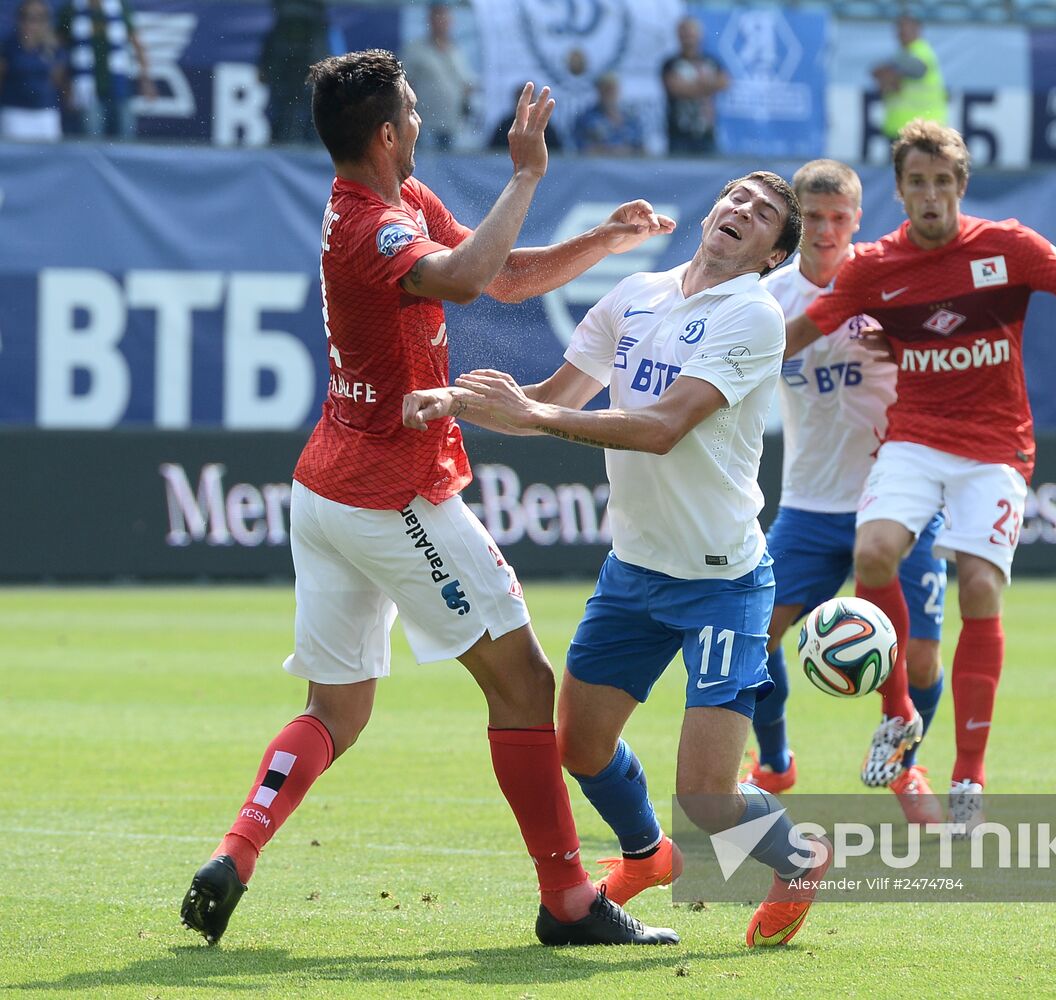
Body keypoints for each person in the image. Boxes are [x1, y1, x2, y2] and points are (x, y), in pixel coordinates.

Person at [179, 49, 680, 948]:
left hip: (326, 489)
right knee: (525, 683)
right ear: (385, 133)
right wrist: (528, 173)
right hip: (392, 492)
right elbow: (454, 278)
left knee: (337, 711)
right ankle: (570, 901)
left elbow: (500, 274)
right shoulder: (366, 224)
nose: (420, 124)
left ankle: (236, 850)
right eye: (411, 113)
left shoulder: (394, 206)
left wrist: (602, 241)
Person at [424, 171, 835, 948]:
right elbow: (553, 396)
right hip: (636, 572)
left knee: (709, 803)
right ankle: (649, 857)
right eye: (736, 196)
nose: (742, 210)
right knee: (579, 744)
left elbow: (662, 426)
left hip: (721, 580)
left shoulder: (752, 315)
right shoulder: (636, 294)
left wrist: (537, 413)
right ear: (713, 211)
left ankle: (800, 855)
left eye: (765, 213)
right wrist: (450, 401)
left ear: (774, 253)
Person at [785, 120, 1056, 831]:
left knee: (981, 587)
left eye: (942, 182)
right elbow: (802, 329)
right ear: (900, 191)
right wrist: (723, 371)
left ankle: (968, 774)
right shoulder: (873, 268)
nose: (930, 196)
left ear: (961, 185)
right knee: (872, 551)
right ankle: (897, 722)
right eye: (916, 183)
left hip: (995, 447)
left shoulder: (1007, 247)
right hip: (915, 438)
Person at [743, 159, 946, 826]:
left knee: (918, 656)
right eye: (816, 217)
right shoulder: (769, 300)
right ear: (798, 220)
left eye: (841, 217)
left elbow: (945, 358)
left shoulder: (888, 286)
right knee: (756, 638)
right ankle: (774, 761)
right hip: (809, 503)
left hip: (897, 502)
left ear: (858, 219)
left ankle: (907, 762)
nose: (828, 230)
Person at [56, 0, 155, 138]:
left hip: (120, 88)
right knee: (92, 142)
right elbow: (59, 48)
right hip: (87, 91)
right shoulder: (71, 10)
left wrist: (146, 80)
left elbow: (137, 44)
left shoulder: (120, 7)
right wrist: (65, 85)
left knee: (127, 140)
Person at [400, 1, 473, 152]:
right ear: (429, 20)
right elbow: (403, 85)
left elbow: (467, 83)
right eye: (437, 16)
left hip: (454, 126)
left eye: (445, 16)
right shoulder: (415, 50)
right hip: (426, 125)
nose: (442, 21)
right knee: (428, 170)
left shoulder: (457, 51)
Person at [260, 0, 327, 145]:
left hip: (312, 37)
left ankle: (313, 145)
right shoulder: (278, 30)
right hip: (283, 40)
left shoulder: (319, 31)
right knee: (281, 105)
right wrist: (265, 64)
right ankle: (277, 143)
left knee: (314, 103)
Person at [870, 15, 946, 142]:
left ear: (918, 30)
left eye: (906, 28)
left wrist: (889, 70)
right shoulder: (902, 54)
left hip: (923, 129)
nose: (902, 33)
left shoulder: (921, 52)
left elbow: (917, 69)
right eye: (899, 29)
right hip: (901, 127)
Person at [0, 0, 67, 142]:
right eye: (26, 17)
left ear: (46, 21)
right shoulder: (8, 46)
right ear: (18, 20)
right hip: (14, 113)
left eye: (38, 18)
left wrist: (48, 51)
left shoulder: (53, 48)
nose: (31, 24)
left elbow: (59, 82)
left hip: (45, 114)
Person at [661, 16, 727, 156]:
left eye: (691, 33)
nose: (688, 37)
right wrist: (707, 85)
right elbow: (676, 89)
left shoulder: (711, 60)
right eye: (684, 33)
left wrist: (692, 85)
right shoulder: (670, 63)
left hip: (706, 133)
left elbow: (725, 83)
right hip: (679, 134)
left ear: (699, 35)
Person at [572, 72, 644, 156]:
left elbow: (641, 149)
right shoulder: (586, 120)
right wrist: (611, 151)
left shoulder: (631, 120)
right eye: (606, 89)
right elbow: (582, 149)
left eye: (612, 88)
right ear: (599, 90)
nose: (610, 93)